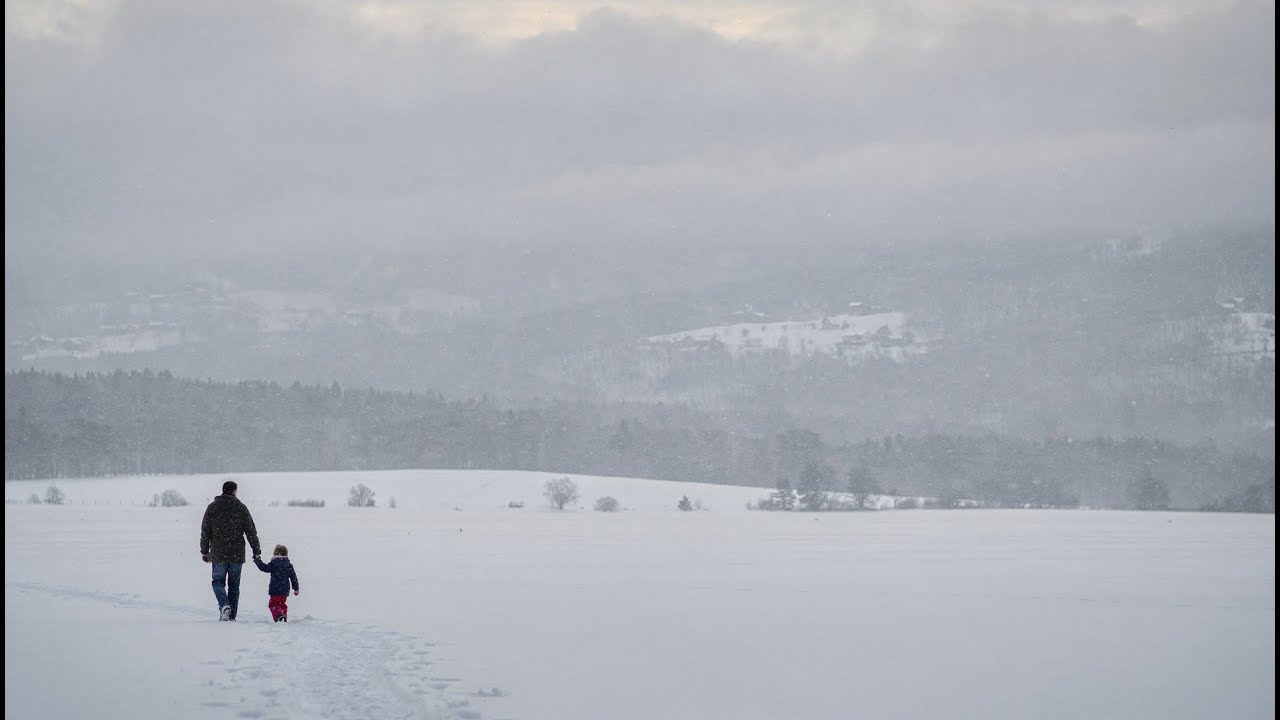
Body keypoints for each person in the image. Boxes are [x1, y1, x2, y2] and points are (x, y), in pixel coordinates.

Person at [199, 480, 262, 621]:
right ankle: (231, 615)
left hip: (218, 553)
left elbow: (205, 531)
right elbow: (251, 531)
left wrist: (204, 551)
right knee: (234, 586)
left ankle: (224, 605)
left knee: (218, 582)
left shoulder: (212, 507)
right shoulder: (241, 508)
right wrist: (256, 550)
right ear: (234, 491)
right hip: (236, 554)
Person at [253, 544, 301, 622]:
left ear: (276, 554)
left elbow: (264, 568)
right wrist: (296, 589)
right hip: (285, 590)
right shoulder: (288, 565)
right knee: (282, 604)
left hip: (275, 589)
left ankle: (279, 616)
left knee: (273, 604)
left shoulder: (274, 563)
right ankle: (283, 616)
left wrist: (257, 560)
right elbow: (293, 577)